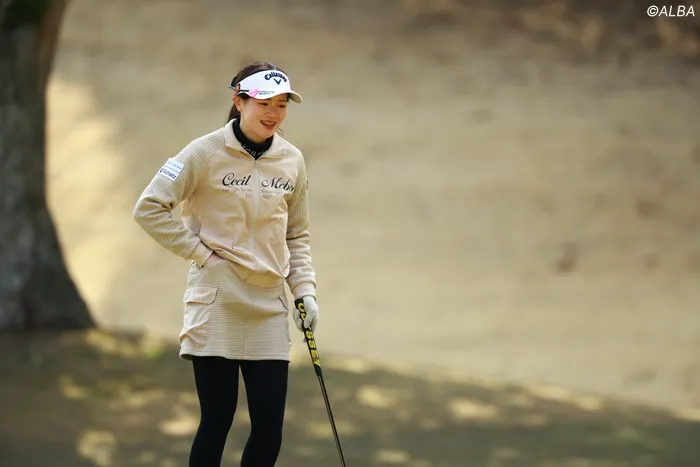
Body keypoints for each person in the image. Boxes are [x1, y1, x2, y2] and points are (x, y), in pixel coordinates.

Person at [132, 60, 319, 467]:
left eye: (282, 105)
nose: (273, 113)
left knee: (269, 428)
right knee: (217, 420)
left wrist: (305, 291)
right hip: (216, 298)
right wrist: (201, 254)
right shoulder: (203, 152)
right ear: (239, 102)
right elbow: (149, 208)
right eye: (264, 103)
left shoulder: (292, 160)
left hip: (269, 304)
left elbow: (296, 235)